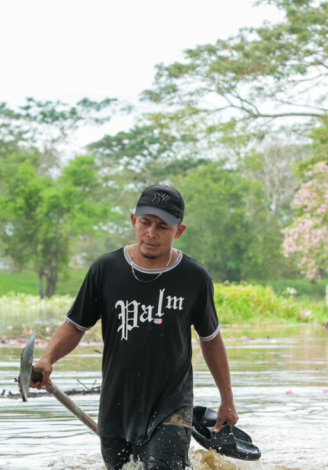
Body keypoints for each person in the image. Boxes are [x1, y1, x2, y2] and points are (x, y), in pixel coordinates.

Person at [31, 185, 237, 470]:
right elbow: (75, 325)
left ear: (179, 231)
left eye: (163, 226)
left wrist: (227, 399)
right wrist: (47, 359)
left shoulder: (194, 277)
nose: (151, 233)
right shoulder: (105, 269)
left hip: (172, 404)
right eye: (145, 222)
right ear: (133, 221)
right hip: (117, 405)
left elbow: (210, 339)